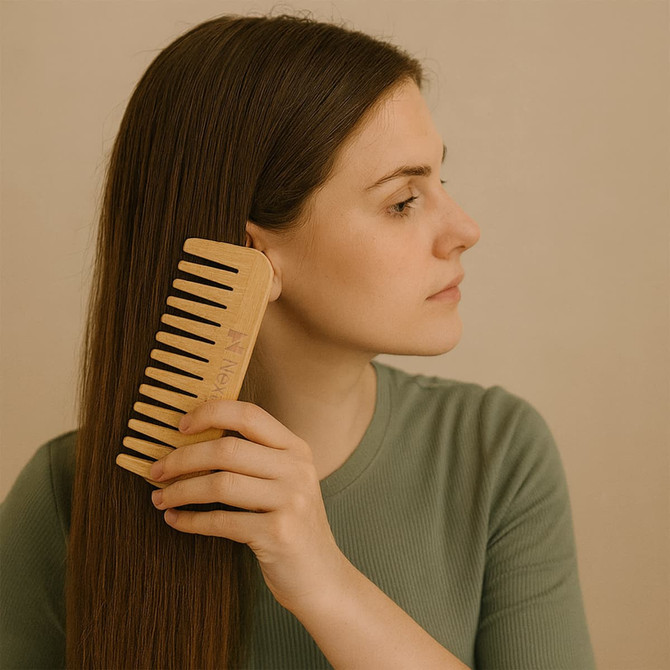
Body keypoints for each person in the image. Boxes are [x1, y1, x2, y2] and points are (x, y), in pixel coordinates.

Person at [0, 12, 596, 669]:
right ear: (252, 250)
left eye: (441, 183)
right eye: (403, 200)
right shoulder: (65, 495)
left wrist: (324, 581)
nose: (464, 228)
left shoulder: (495, 453)